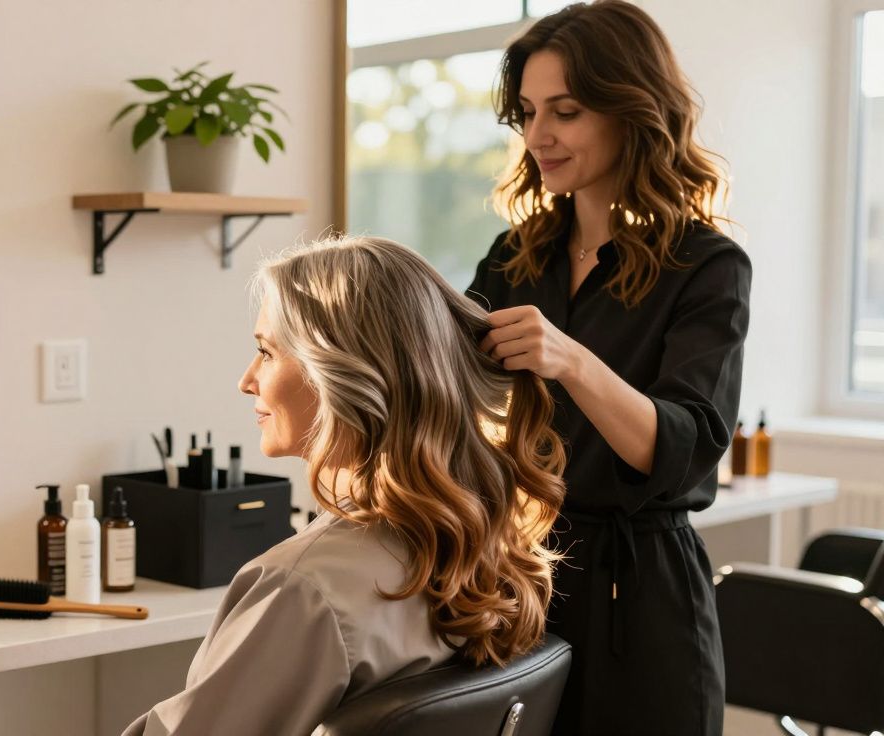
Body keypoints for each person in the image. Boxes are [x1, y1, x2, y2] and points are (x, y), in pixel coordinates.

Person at [124, 236, 567, 735]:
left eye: (266, 352)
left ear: (339, 376)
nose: (247, 381)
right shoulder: (483, 548)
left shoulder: (302, 587)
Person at [467, 2, 752, 733]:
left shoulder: (707, 266)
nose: (538, 135)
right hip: (524, 585)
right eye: (528, 113)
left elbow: (680, 448)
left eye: (565, 111)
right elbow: (456, 392)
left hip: (644, 606)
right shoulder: (513, 258)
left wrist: (570, 359)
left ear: (631, 111)